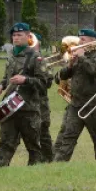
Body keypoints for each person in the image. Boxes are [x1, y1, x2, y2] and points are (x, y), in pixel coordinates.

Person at [0, 23, 47, 166]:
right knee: (5, 141)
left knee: (32, 144)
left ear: (28, 37)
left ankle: (35, 169)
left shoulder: (36, 57)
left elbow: (45, 83)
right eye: (14, 35)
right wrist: (1, 84)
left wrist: (26, 80)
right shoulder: (11, 56)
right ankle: (0, 167)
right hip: (10, 106)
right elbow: (7, 77)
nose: (15, 38)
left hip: (28, 108)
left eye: (19, 35)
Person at [53, 29, 96, 162]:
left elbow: (94, 70)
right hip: (76, 104)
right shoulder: (77, 57)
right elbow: (60, 77)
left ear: (93, 41)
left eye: (83, 39)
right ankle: (58, 166)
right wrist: (70, 65)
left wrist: (82, 57)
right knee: (68, 137)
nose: (79, 42)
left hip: (93, 105)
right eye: (79, 39)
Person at [35, 33, 54, 163]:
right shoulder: (21, 58)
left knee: (43, 133)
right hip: (24, 103)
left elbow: (47, 83)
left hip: (40, 102)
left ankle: (48, 159)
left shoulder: (44, 61)